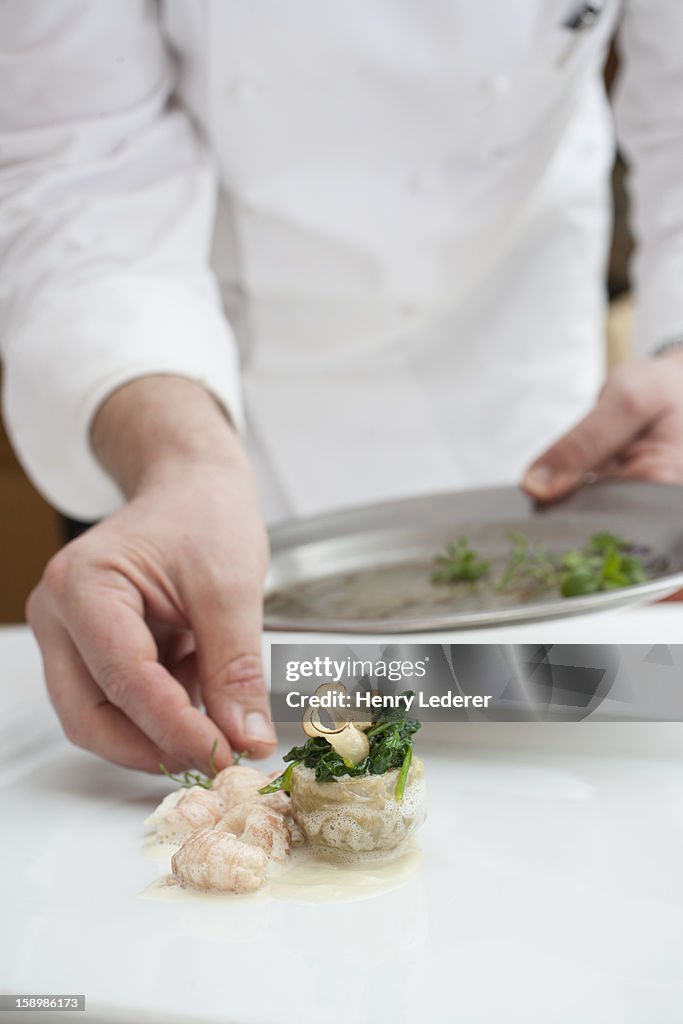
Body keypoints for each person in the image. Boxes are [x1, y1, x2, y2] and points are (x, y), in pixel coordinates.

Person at [2, 1, 683, 774]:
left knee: (563, 769)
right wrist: (182, 459)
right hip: (210, 390)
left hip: (520, 387)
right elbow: (77, 170)